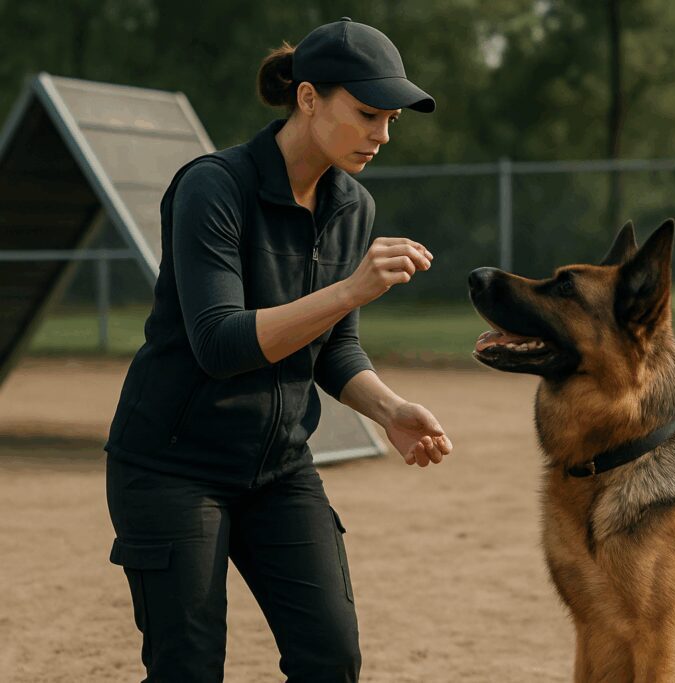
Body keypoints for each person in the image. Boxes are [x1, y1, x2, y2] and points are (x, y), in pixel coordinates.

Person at [103, 18, 451, 682]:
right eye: (369, 114)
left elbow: (333, 350)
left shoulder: (353, 206)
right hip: (172, 468)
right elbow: (220, 342)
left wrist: (389, 408)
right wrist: (350, 288)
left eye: (392, 119)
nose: (383, 134)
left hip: (278, 468)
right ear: (310, 98)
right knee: (189, 667)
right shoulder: (214, 186)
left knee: (331, 657)